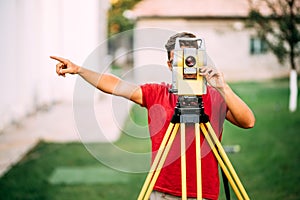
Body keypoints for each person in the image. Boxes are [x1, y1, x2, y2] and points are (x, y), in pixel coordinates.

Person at [51, 32, 255, 200]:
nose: (186, 65)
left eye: (190, 58)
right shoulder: (157, 94)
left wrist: (222, 87)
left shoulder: (214, 96)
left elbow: (248, 121)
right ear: (169, 64)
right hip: (163, 192)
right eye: (179, 59)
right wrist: (79, 70)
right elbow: (114, 85)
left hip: (203, 192)